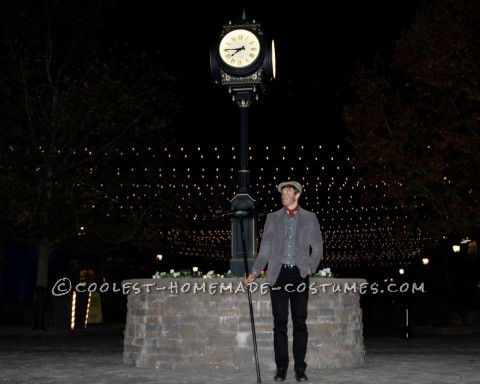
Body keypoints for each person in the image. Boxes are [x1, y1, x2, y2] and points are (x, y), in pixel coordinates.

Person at [245, 181, 323, 382]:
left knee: (300, 322)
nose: (284, 194)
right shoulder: (273, 218)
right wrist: (255, 271)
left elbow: (318, 246)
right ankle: (281, 369)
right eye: (282, 191)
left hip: (299, 274)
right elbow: (266, 248)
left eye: (288, 191)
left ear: (297, 195)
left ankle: (299, 368)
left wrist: (310, 267)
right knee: (279, 323)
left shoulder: (310, 217)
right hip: (278, 274)